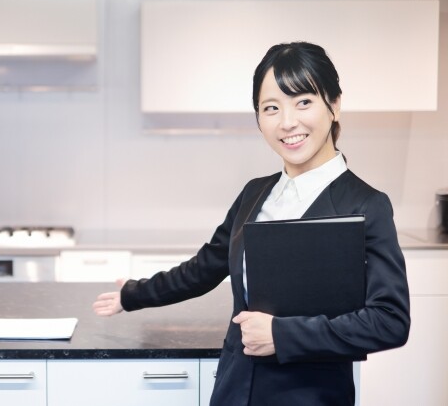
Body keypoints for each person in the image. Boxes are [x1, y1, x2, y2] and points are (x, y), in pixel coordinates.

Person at [92, 41, 410, 406]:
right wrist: (132, 294)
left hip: (309, 397)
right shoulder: (255, 194)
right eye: (271, 108)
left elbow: (389, 321)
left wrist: (282, 335)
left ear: (334, 105)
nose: (287, 122)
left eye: (303, 101)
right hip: (235, 389)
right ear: (258, 118)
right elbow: (203, 268)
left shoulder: (366, 205)